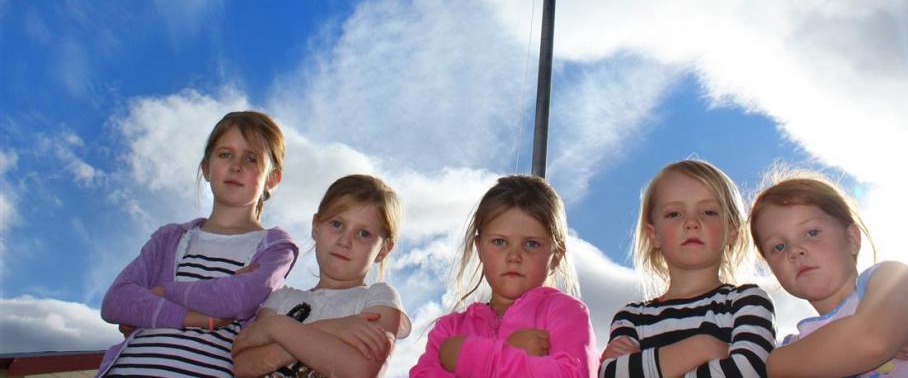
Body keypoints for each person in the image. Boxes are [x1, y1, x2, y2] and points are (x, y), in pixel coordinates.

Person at [97, 110, 300, 378]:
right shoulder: (170, 238)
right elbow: (116, 301)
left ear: (272, 179)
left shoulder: (275, 247)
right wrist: (198, 318)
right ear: (206, 167)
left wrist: (159, 293)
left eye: (251, 159)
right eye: (225, 154)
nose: (236, 165)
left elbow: (238, 299)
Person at [750, 171, 908, 377]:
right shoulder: (788, 349)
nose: (794, 250)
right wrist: (849, 345)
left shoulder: (892, 277)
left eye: (812, 233)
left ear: (852, 238)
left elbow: (872, 340)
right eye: (779, 246)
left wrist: (850, 346)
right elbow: (775, 367)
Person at [410, 174, 598, 377]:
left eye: (531, 244)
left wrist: (468, 356)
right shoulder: (449, 329)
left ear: (555, 256)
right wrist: (508, 350)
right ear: (479, 248)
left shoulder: (566, 312)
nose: (514, 256)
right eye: (499, 242)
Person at [600, 159, 775, 378]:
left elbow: (746, 371)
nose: (691, 222)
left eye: (708, 212)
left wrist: (648, 364)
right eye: (674, 214)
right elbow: (613, 373)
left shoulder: (747, 302)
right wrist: (703, 347)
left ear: (732, 230)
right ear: (654, 235)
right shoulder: (632, 316)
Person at [232, 174, 411, 378]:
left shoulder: (379, 297)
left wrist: (276, 328)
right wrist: (332, 329)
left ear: (383, 250)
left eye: (363, 234)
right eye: (336, 224)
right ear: (316, 226)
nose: (345, 241)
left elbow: (359, 370)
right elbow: (242, 365)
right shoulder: (281, 297)